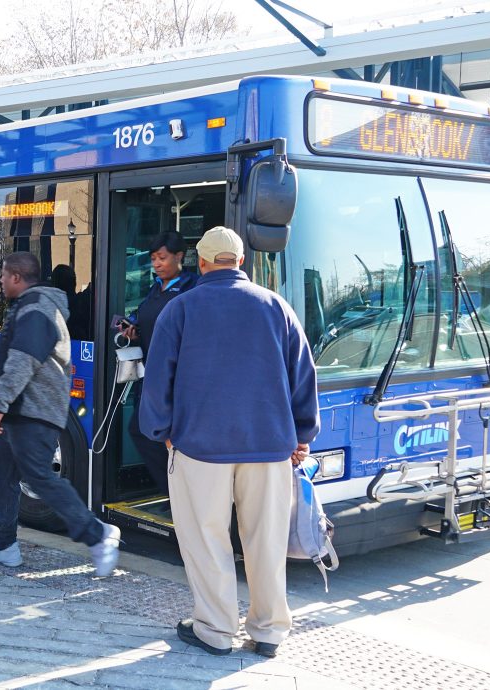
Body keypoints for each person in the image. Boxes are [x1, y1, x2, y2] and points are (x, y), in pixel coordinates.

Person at [139, 227, 319, 659]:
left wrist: (161, 432)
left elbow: (158, 380)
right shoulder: (277, 306)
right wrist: (301, 436)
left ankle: (216, 630)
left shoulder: (180, 309)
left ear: (200, 263)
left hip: (199, 447)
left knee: (205, 540)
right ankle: (269, 630)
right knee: (266, 540)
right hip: (270, 448)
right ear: (241, 262)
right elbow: (303, 377)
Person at [0, 252, 121, 575]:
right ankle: (3, 546)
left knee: (39, 476)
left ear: (17, 278)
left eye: (3, 275)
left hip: (30, 412)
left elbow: (23, 362)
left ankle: (98, 535)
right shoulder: (29, 306)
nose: (0, 280)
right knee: (2, 477)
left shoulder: (37, 309)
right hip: (18, 412)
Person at [119, 231, 198, 494]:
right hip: (150, 375)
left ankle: (179, 495)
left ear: (180, 256)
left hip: (176, 378)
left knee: (169, 438)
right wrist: (133, 328)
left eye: (162, 258)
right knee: (140, 430)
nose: (156, 263)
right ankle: (171, 491)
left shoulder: (192, 288)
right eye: (153, 258)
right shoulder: (155, 288)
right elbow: (144, 317)